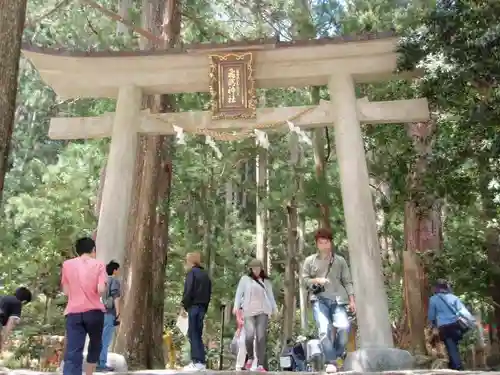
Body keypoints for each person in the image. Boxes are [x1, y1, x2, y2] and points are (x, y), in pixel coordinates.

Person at [301, 228, 355, 373]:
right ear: (316, 244)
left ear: (331, 243)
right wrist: (316, 280)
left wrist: (351, 299)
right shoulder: (310, 261)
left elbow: (348, 281)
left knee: (344, 328)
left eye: (326, 242)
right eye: (321, 242)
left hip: (338, 300)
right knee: (324, 331)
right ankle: (331, 361)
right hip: (319, 300)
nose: (324, 245)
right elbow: (304, 280)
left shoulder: (340, 261)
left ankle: (337, 355)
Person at [61, 237, 107, 375]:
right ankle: (89, 373)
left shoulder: (67, 265)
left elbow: (66, 292)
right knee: (95, 344)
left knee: (73, 349)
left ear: (77, 251)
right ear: (93, 250)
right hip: (94, 312)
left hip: (73, 312)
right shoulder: (99, 265)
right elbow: (100, 290)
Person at [233, 258, 278, 372]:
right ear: (250, 269)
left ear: (261, 268)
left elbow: (270, 296)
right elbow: (239, 293)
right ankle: (251, 358)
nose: (255, 270)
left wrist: (274, 309)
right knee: (249, 335)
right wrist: (236, 306)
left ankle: (260, 364)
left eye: (257, 268)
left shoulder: (265, 281)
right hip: (248, 311)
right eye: (253, 268)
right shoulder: (245, 279)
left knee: (261, 337)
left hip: (263, 311)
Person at [428, 279, 474, 370]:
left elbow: (431, 316)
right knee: (453, 345)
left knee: (451, 345)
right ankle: (453, 365)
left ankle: (458, 366)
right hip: (456, 325)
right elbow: (463, 311)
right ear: (446, 288)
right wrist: (472, 322)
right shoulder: (454, 297)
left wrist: (432, 325)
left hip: (444, 327)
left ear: (436, 288)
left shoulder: (433, 299)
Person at [182, 252, 212, 372]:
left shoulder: (192, 273)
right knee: (197, 333)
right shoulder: (205, 275)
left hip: (193, 307)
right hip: (202, 308)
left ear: (191, 261)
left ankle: (196, 361)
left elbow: (188, 291)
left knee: (193, 333)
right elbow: (209, 292)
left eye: (187, 261)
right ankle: (201, 361)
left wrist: (184, 305)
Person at [97, 261, 121, 372]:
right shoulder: (114, 281)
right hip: (109, 313)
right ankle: (102, 364)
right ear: (115, 270)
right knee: (105, 339)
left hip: (99, 312)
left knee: (99, 338)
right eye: (118, 269)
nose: (118, 271)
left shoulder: (103, 281)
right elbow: (116, 297)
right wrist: (118, 313)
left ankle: (96, 361)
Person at [0, 287, 32, 352]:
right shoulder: (17, 302)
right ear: (24, 301)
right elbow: (12, 321)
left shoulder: (3, 298)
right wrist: (3, 341)